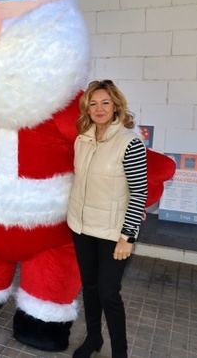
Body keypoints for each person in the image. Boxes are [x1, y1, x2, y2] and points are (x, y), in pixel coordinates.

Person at [67, 80, 148, 358]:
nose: (99, 108)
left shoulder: (130, 142)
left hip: (113, 234)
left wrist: (128, 236)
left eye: (105, 103)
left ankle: (120, 353)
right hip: (81, 227)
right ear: (86, 108)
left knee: (108, 294)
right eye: (93, 103)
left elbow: (140, 192)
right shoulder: (82, 140)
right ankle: (93, 339)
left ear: (116, 106)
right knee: (89, 288)